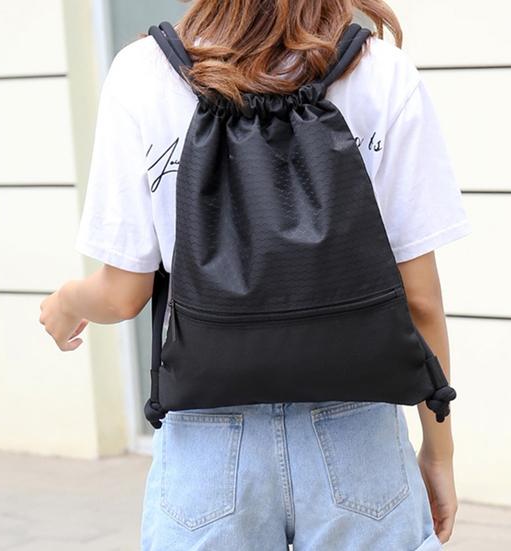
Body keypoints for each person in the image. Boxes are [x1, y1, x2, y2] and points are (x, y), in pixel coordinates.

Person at [39, 1, 472, 549]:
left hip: (207, 443)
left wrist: (66, 302)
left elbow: (122, 294)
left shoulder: (141, 74)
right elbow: (420, 301)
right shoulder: (380, 71)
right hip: (357, 436)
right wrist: (439, 452)